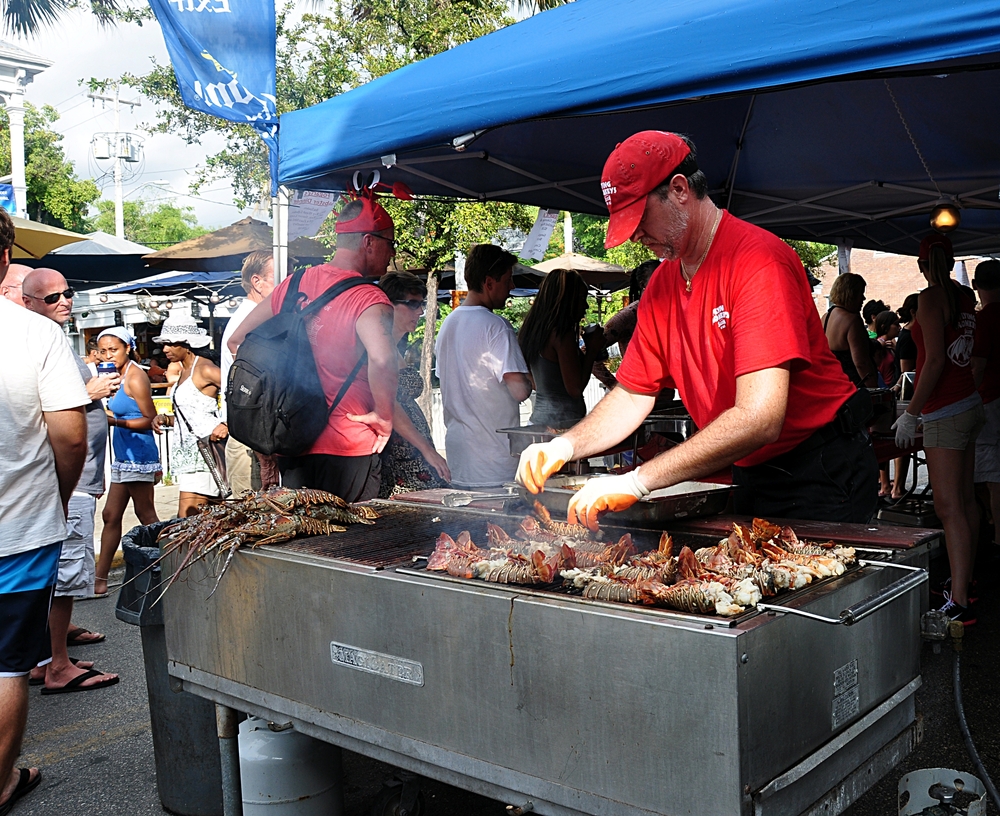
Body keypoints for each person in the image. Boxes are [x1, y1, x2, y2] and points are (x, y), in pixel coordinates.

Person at [517, 130, 877, 527]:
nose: (635, 236)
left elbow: (760, 417)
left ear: (679, 189)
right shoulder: (661, 286)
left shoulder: (758, 262)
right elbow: (633, 396)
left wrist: (639, 481)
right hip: (748, 470)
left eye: (639, 219)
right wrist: (565, 445)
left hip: (820, 468)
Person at [0, 209, 89, 813]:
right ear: (5, 258)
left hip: (22, 528)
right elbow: (71, 436)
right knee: (7, 666)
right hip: (19, 530)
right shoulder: (34, 335)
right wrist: (55, 498)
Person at [229, 197, 398, 502]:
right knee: (349, 545)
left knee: (305, 542)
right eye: (390, 243)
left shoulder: (294, 285)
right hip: (350, 445)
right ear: (369, 242)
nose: (392, 254)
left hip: (293, 442)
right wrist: (384, 417)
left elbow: (237, 340)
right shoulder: (369, 298)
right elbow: (382, 358)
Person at [20, 269, 120, 692]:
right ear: (27, 302)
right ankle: (57, 666)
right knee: (62, 578)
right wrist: (91, 394)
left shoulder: (53, 340)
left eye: (67, 293)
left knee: (58, 577)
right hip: (66, 484)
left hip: (75, 483)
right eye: (51, 297)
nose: (63, 301)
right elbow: (44, 413)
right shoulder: (35, 341)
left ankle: (48, 655)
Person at [894, 233, 984, 624]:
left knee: (949, 508)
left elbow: (932, 364)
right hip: (969, 404)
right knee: (966, 502)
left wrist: (910, 413)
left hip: (944, 411)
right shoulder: (965, 299)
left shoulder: (930, 300)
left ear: (921, 266)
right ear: (949, 261)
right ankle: (965, 581)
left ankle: (959, 600)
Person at [436, 244, 532, 488]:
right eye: (508, 280)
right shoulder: (496, 326)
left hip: (459, 458)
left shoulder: (447, 324)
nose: (512, 288)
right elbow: (519, 391)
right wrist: (530, 373)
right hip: (493, 461)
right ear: (489, 282)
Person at [93, 328, 160, 597]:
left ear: (128, 349)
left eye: (114, 350)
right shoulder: (110, 376)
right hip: (123, 456)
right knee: (110, 515)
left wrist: (114, 421)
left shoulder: (135, 377)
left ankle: (165, 568)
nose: (108, 355)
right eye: (103, 350)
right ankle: (99, 579)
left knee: (147, 516)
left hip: (139, 455)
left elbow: (150, 418)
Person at [376, 272, 451, 497]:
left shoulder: (395, 346)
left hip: (412, 454)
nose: (420, 311)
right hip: (398, 460)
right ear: (389, 305)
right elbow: (388, 403)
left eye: (421, 304)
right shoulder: (378, 348)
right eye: (412, 304)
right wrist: (428, 450)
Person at [152, 318, 228, 517]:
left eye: (171, 343)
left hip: (205, 451)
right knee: (205, 520)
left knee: (188, 518)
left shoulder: (205, 369)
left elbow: (239, 391)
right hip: (191, 454)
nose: (165, 349)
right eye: (164, 344)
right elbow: (192, 413)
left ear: (187, 345)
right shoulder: (184, 370)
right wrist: (167, 419)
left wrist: (226, 422)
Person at [518, 268, 605, 426]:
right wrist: (592, 350)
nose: (585, 306)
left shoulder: (532, 331)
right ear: (568, 300)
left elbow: (534, 381)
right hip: (560, 426)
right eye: (582, 299)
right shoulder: (561, 334)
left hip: (539, 421)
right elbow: (575, 389)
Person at [221, 249, 275, 496]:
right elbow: (250, 395)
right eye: (279, 277)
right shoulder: (249, 321)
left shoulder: (254, 318)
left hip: (255, 438)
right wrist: (264, 456)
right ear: (257, 281)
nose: (286, 285)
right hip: (250, 441)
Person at [972, 260, 1000, 575]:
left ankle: (996, 541)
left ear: (978, 287)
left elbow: (977, 367)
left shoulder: (985, 319)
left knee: (994, 480)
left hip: (991, 401)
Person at [822, 272, 878, 388]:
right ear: (851, 294)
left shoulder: (825, 317)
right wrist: (873, 388)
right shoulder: (852, 321)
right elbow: (861, 362)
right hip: (853, 387)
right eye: (861, 293)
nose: (863, 298)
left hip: (833, 384)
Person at [874, 310, 901, 387]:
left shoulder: (892, 344)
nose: (899, 327)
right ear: (884, 327)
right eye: (896, 324)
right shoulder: (879, 345)